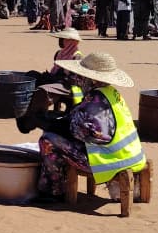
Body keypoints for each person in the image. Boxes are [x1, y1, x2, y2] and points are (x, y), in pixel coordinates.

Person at [19, 53, 147, 202]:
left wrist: (49, 124)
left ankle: (53, 192)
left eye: (81, 76)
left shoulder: (95, 101)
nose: (78, 79)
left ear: (91, 79)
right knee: (56, 135)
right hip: (131, 156)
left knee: (48, 140)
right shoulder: (111, 93)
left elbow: (80, 132)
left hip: (111, 162)